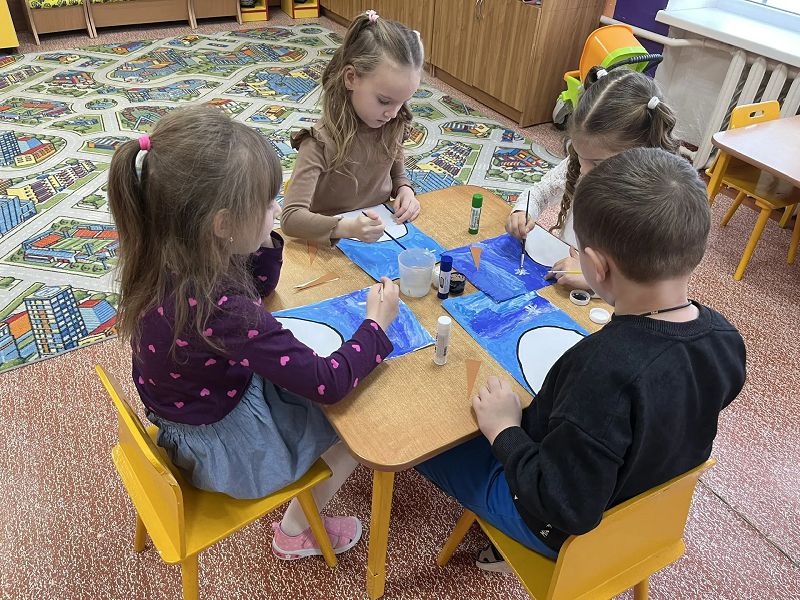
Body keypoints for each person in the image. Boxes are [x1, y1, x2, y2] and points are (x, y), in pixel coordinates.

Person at [418, 147, 746, 570]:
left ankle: (508, 538)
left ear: (594, 266)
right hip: (649, 520)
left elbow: (562, 503)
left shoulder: (604, 370)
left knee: (425, 444)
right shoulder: (725, 337)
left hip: (563, 532)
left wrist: (505, 432)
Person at [108, 105, 401, 561]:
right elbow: (327, 383)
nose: (278, 211)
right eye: (267, 205)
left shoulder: (165, 252)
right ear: (222, 225)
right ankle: (294, 531)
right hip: (223, 448)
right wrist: (376, 327)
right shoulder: (222, 309)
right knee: (354, 426)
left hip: (192, 410)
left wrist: (262, 238)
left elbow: (260, 288)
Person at [506, 68, 678, 291]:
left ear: (640, 154)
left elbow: (653, 287)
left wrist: (595, 281)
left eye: (597, 163)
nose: (584, 170)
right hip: (562, 275)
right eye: (579, 154)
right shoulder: (582, 162)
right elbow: (541, 191)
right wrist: (523, 210)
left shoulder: (654, 204)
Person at [280, 10, 424, 246]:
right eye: (384, 101)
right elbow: (291, 218)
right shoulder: (318, 142)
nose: (393, 113)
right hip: (328, 243)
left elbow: (397, 173)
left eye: (403, 102)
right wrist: (347, 228)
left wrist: (404, 190)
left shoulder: (393, 123)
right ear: (351, 78)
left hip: (379, 235)